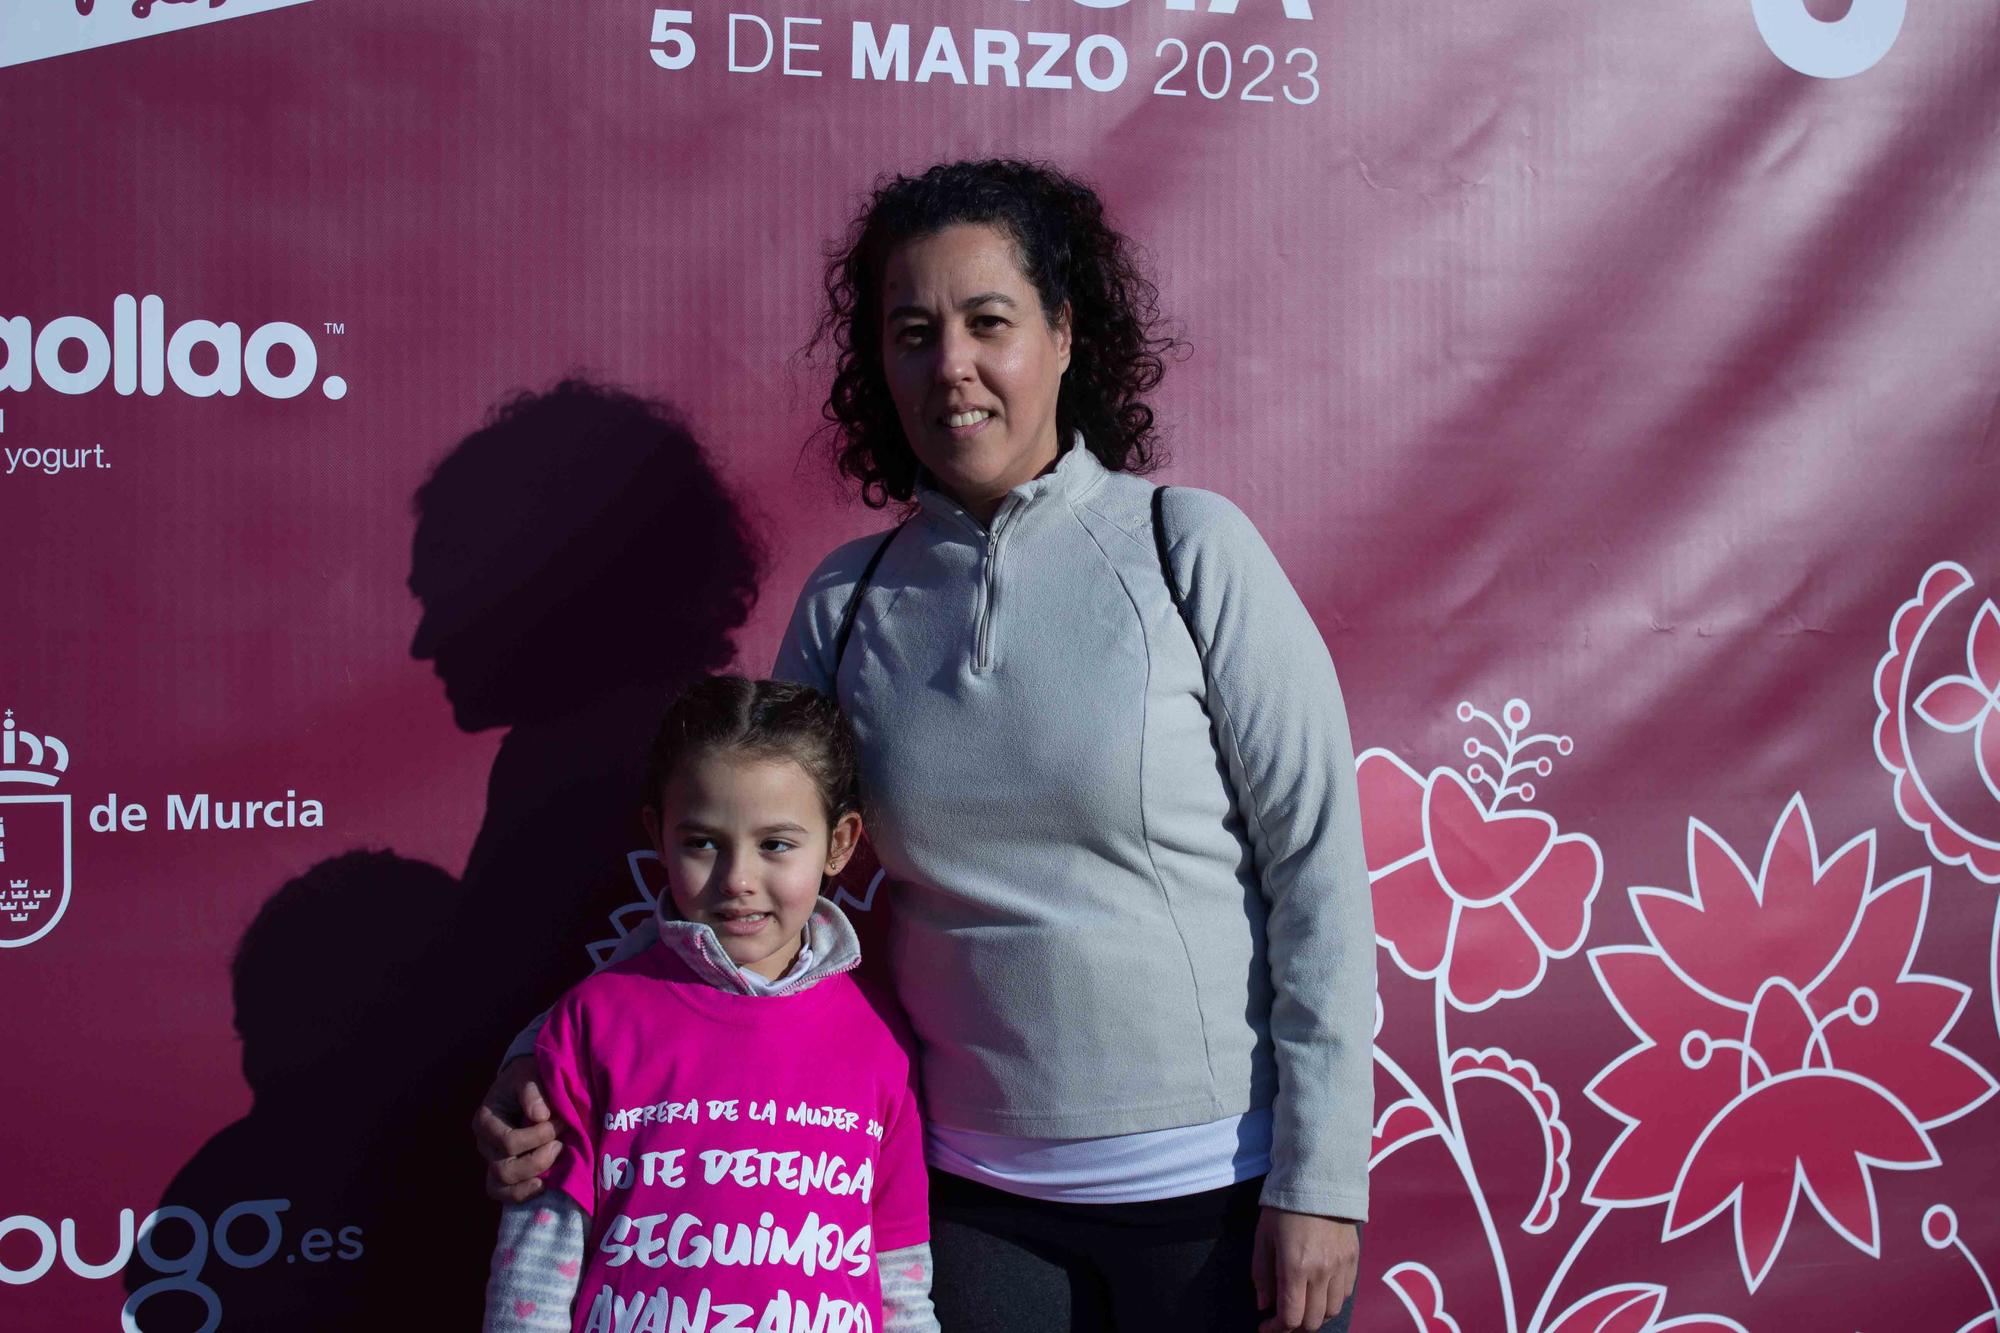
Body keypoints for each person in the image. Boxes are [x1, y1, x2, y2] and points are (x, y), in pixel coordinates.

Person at [476, 159, 1374, 1333]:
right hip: (966, 1205)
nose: (949, 364)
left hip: (1216, 1197)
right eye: (912, 332)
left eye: (987, 322)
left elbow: (1315, 872)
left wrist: (1322, 1179)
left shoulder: (1186, 548)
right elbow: (750, 897)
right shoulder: (848, 602)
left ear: (1063, 334)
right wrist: (542, 1064)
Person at [481, 677, 938, 1333]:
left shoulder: (879, 1035)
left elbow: (898, 1280)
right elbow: (532, 1276)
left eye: (776, 843)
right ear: (658, 835)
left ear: (839, 843)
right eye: (702, 842)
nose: (738, 879)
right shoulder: (594, 1019)